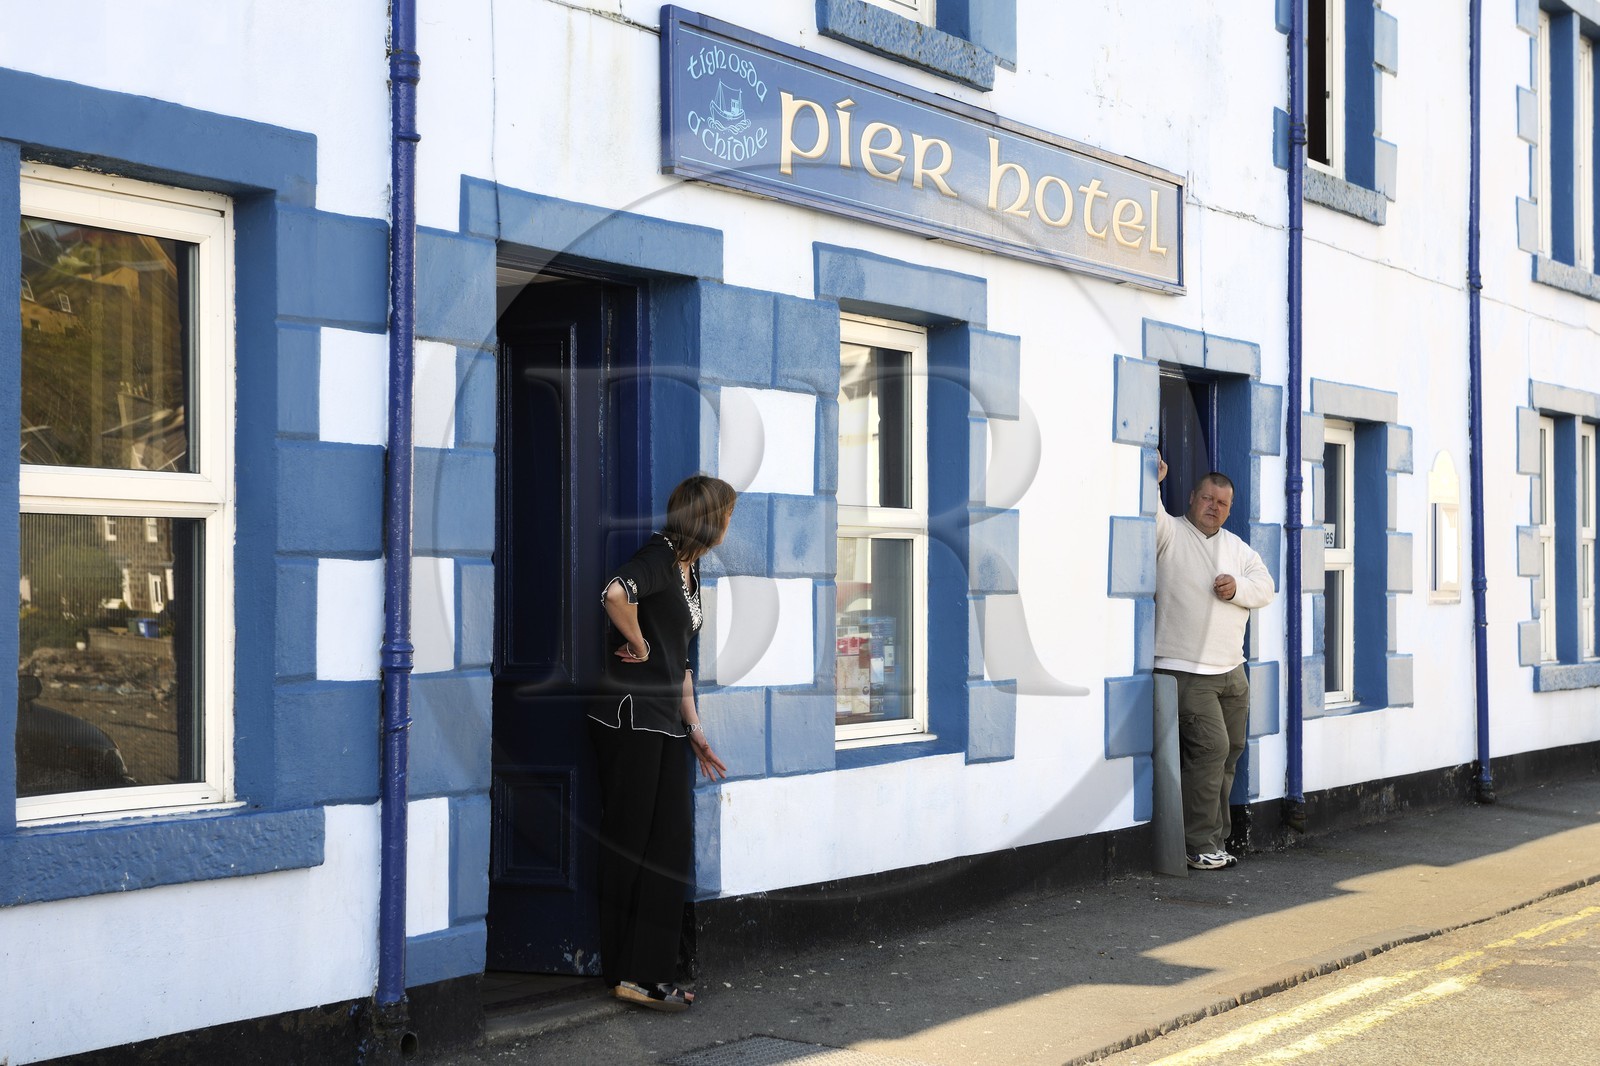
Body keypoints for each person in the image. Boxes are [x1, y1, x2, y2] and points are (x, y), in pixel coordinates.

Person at [589, 474, 734, 1011]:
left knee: (669, 842)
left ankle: (648, 971)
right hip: (630, 719)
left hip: (666, 721)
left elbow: (682, 662)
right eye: (725, 515)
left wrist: (695, 730)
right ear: (708, 519)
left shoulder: (690, 570)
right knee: (632, 841)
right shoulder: (659, 555)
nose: (728, 524)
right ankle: (627, 971)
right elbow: (615, 594)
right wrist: (639, 642)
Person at [1154, 453, 1275, 871]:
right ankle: (1196, 843)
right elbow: (1149, 517)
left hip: (1232, 671)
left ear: (1230, 508)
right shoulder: (1171, 532)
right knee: (1211, 749)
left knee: (1230, 753)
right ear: (1192, 498)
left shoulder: (1238, 548)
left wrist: (1237, 588)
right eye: (1208, 498)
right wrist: (1154, 481)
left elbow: (1265, 588)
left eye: (1222, 503)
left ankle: (1216, 839)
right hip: (1186, 669)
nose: (1214, 507)